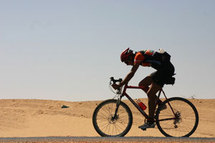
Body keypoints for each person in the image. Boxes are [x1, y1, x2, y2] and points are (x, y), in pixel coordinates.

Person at [112, 48, 175, 130]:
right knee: (142, 84)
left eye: (126, 62)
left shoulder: (138, 56)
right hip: (162, 70)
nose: (127, 64)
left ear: (130, 57)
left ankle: (150, 122)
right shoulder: (139, 55)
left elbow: (132, 72)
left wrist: (121, 84)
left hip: (165, 70)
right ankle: (159, 103)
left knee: (150, 94)